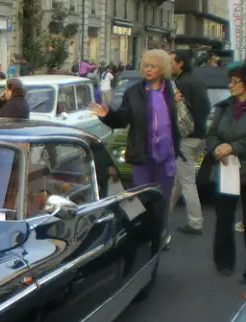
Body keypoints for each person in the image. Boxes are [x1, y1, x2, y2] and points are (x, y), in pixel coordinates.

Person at [90, 49, 181, 213]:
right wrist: (108, 115)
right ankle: (141, 236)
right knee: (141, 203)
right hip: (142, 157)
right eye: (145, 66)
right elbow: (122, 119)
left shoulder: (173, 90)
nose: (148, 69)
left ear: (162, 69)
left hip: (166, 159)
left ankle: (159, 235)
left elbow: (185, 118)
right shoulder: (133, 92)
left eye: (153, 66)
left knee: (162, 202)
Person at [206, 64, 246, 278]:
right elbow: (211, 134)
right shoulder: (223, 107)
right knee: (224, 218)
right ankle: (224, 262)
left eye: (235, 81)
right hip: (226, 169)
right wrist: (216, 149)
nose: (230, 85)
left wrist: (233, 147)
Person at [170, 51, 211, 235]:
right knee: (179, 181)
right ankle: (164, 214)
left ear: (180, 64)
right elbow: (206, 108)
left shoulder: (179, 84)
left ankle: (195, 223)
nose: (169, 65)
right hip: (200, 135)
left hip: (185, 138)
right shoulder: (199, 81)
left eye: (171, 62)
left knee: (187, 182)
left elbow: (173, 111)